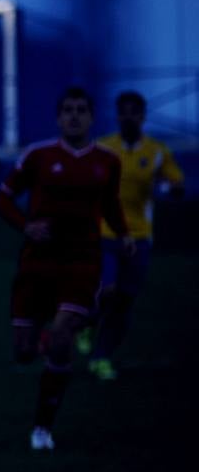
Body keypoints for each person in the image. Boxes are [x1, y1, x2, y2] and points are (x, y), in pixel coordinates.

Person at [0, 86, 130, 451]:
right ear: (58, 117)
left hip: (81, 262)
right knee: (23, 352)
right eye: (67, 109)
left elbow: (111, 205)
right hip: (36, 264)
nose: (74, 116)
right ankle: (45, 339)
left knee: (61, 336)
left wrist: (123, 234)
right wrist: (26, 225)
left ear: (91, 117)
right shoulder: (38, 156)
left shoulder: (107, 161)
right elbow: (3, 197)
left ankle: (42, 429)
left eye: (81, 110)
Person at [81, 91, 186, 380]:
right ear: (117, 116)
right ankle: (88, 324)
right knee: (107, 290)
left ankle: (100, 357)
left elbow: (176, 184)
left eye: (133, 112)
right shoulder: (103, 147)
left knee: (124, 303)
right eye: (123, 112)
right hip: (106, 232)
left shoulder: (156, 151)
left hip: (139, 236)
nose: (128, 117)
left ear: (142, 116)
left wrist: (170, 189)